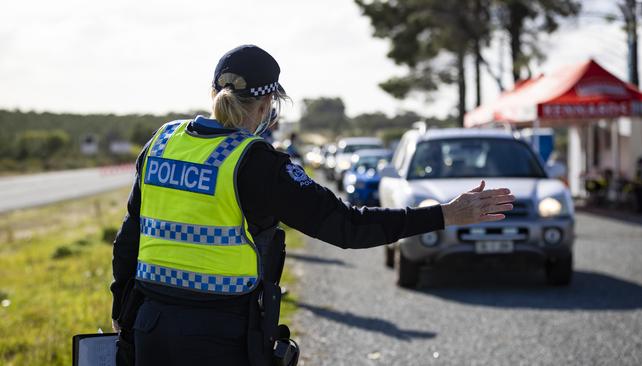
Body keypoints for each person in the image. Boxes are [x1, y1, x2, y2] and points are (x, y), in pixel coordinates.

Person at [110, 44, 515, 366]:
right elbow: (347, 227)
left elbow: (130, 235)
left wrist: (120, 309)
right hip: (221, 337)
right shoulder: (257, 162)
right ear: (269, 107)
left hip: (150, 327)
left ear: (213, 92)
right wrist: (445, 213)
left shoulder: (162, 141)